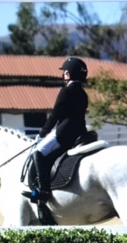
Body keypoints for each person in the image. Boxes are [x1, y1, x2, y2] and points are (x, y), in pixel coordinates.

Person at [23, 57, 89, 204]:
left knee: (38, 153)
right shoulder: (83, 93)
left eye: (65, 72)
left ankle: (43, 190)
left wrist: (42, 133)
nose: (63, 75)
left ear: (68, 74)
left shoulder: (66, 91)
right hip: (80, 131)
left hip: (65, 133)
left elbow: (55, 115)